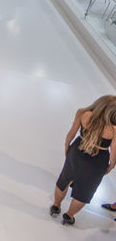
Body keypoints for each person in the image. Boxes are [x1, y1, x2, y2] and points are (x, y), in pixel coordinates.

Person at [53, 96, 116, 226]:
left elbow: (70, 135)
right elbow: (113, 153)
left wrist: (67, 149)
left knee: (64, 180)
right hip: (98, 161)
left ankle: (56, 206)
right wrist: (111, 166)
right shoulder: (114, 128)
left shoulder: (82, 113)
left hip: (77, 151)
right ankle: (69, 215)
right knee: (84, 191)